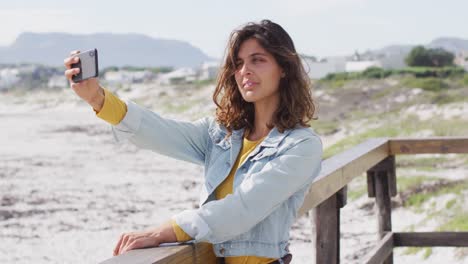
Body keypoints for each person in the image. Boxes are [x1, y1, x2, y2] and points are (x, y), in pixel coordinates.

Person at [64, 19, 322, 264]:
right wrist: (97, 98)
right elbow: (158, 131)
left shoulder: (301, 147)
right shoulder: (221, 135)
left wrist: (164, 231)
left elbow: (243, 208)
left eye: (258, 60)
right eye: (239, 63)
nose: (245, 71)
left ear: (284, 68)